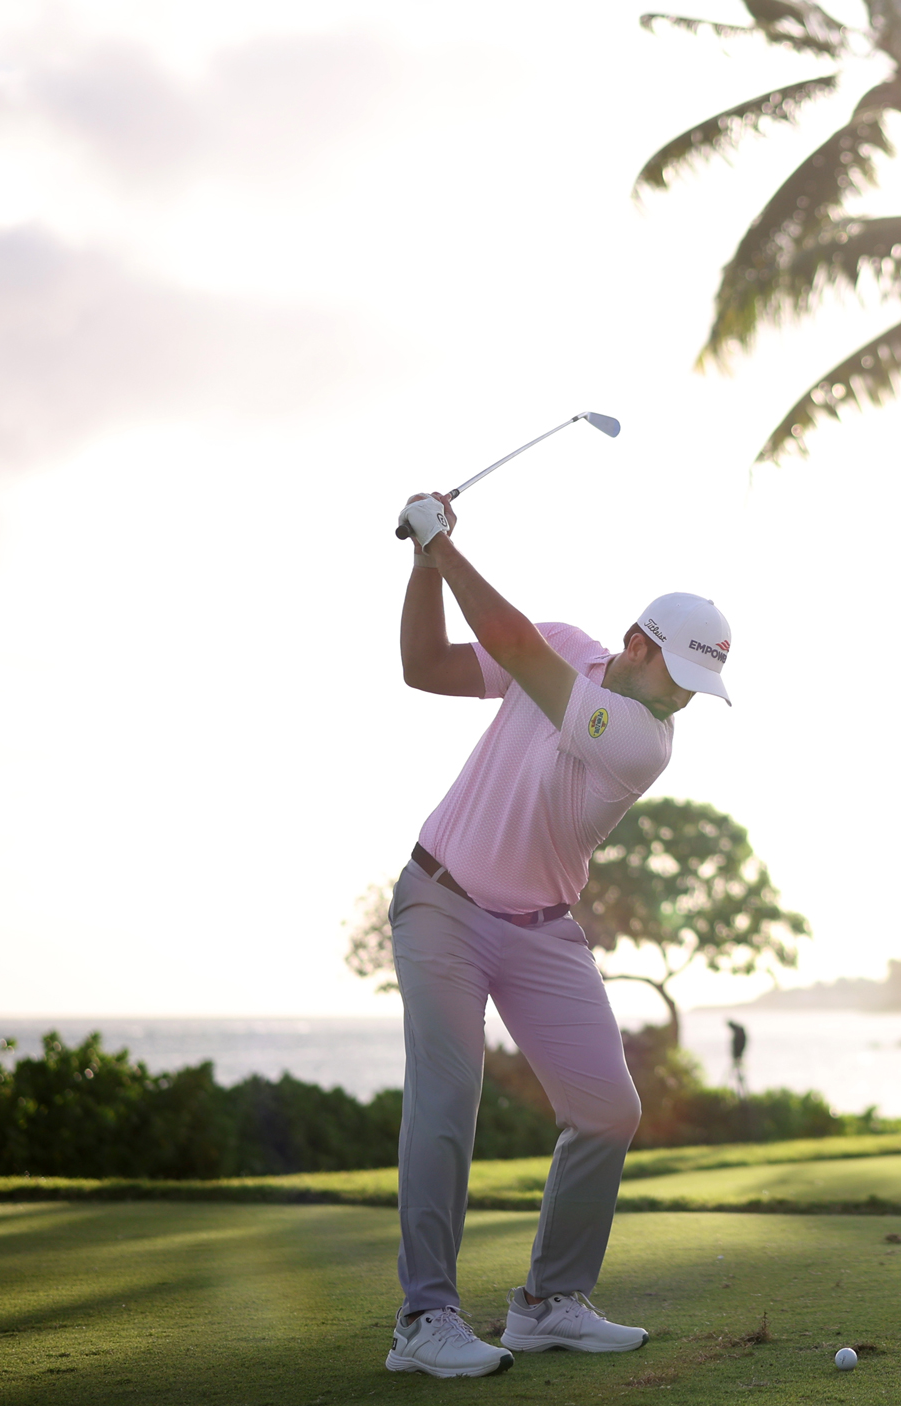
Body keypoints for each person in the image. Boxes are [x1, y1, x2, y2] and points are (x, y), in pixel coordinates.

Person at [381, 491, 733, 1378]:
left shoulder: (642, 744)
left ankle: (546, 1304)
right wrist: (427, 564)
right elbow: (424, 665)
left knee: (609, 1110)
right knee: (447, 1098)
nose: (683, 700)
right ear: (639, 644)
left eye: (699, 689)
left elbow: (513, 648)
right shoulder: (572, 647)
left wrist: (445, 543)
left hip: (540, 929)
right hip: (443, 901)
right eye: (677, 677)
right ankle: (425, 1321)